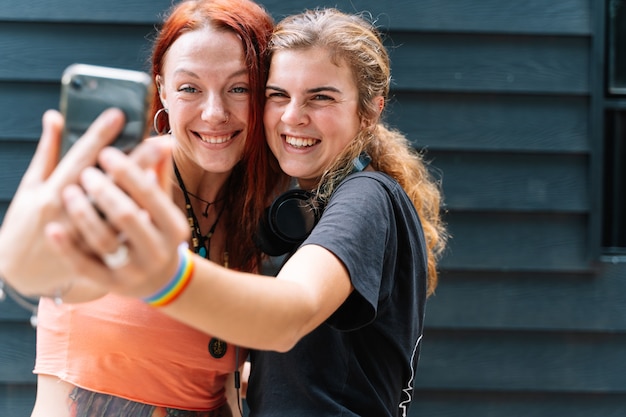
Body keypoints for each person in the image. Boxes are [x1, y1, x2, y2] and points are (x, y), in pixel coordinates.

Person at [45, 8, 449, 417]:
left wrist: (162, 276)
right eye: (278, 95)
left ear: (370, 111)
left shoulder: (366, 198)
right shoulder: (286, 210)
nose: (293, 116)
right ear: (162, 90)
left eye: (321, 96)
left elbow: (290, 312)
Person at [0, 0, 283, 416]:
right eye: (190, 88)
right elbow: (73, 277)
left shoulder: (249, 209)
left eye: (238, 88)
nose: (215, 112)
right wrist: (29, 269)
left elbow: (220, 389)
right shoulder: (124, 181)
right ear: (162, 91)